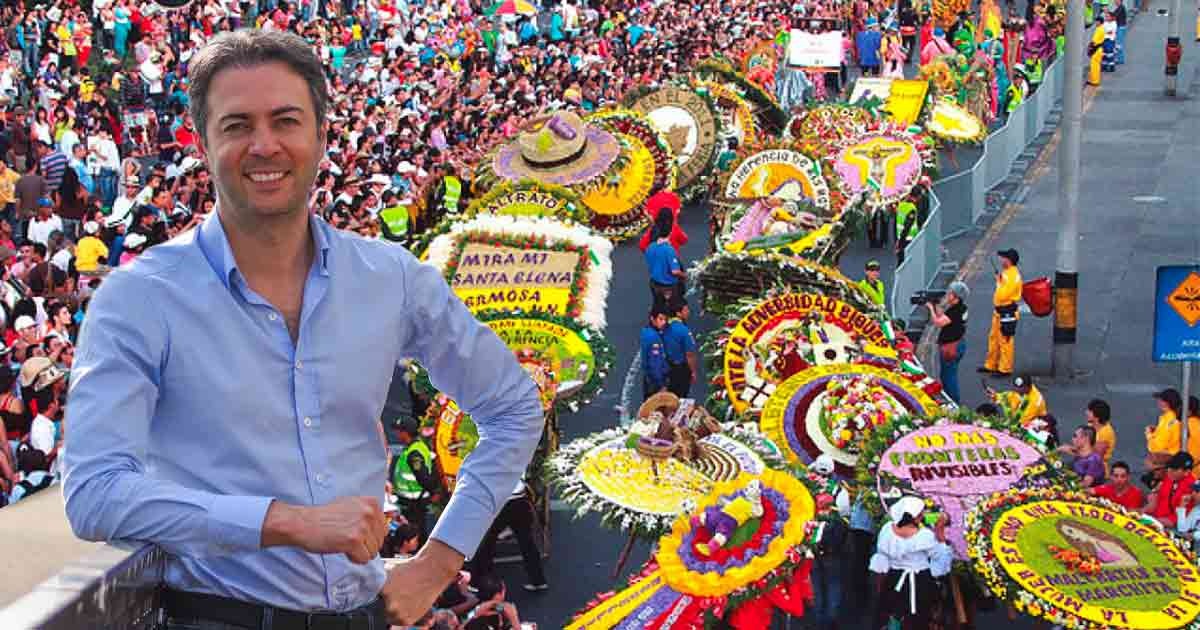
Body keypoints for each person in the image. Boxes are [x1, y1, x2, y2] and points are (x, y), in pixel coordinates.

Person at [63, 30, 544, 629]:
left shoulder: (390, 276)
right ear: (203, 143)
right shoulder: (139, 297)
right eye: (237, 125)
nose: (263, 145)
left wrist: (440, 561)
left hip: (366, 615)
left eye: (285, 121)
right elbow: (95, 492)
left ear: (321, 136)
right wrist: (283, 521)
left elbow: (514, 405)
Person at [869, 496, 953, 629]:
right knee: (919, 618)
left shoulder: (887, 530)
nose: (923, 515)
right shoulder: (924, 535)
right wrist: (940, 535)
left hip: (894, 580)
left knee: (892, 614)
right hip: (920, 582)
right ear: (914, 517)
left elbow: (881, 561)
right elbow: (940, 561)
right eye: (921, 513)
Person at [469, 479, 548, 593]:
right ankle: (538, 581)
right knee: (527, 542)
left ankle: (477, 582)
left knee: (487, 542)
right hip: (520, 500)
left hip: (500, 502)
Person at [390, 416, 443, 540]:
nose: (397, 433)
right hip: (411, 503)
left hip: (414, 504)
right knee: (417, 535)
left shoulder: (414, 453)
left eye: (399, 431)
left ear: (405, 432)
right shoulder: (417, 446)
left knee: (414, 537)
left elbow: (424, 477)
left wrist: (434, 492)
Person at [981, 248, 1022, 376]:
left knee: (1005, 340)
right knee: (994, 338)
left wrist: (999, 282)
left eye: (1003, 258)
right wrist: (1000, 280)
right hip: (999, 311)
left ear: (1009, 260)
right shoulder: (1007, 273)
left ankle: (1005, 369)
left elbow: (1002, 295)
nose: (1001, 260)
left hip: (1007, 311)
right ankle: (991, 364)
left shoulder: (1012, 276)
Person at [927, 281, 969, 403]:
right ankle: (951, 401)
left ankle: (954, 403)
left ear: (956, 296)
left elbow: (938, 322)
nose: (948, 295)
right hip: (958, 344)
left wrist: (930, 309)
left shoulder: (955, 310)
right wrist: (936, 306)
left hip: (950, 348)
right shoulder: (961, 308)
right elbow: (944, 317)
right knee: (948, 374)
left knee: (948, 377)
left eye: (950, 293)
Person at [644, 210, 686, 310]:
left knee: (658, 306)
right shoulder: (669, 250)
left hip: (654, 283)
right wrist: (684, 275)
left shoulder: (650, 247)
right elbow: (674, 271)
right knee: (672, 309)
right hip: (668, 286)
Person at [1144, 452, 1196, 527]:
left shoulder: (1192, 489)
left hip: (1174, 530)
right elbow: (1157, 503)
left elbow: (1177, 521)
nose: (1169, 471)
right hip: (1158, 520)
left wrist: (1152, 521)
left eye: (1174, 469)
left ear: (1187, 472)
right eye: (1169, 467)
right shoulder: (1170, 478)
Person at [662, 298, 698, 398]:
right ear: (678, 313)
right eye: (686, 310)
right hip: (680, 371)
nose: (688, 312)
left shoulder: (664, 327)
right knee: (680, 398)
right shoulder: (683, 330)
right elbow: (689, 354)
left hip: (665, 368)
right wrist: (693, 371)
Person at [639, 306, 671, 400]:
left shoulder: (646, 332)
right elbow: (655, 364)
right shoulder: (654, 338)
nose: (664, 322)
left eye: (665, 319)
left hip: (649, 380)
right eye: (660, 319)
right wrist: (661, 385)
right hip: (655, 383)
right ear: (652, 319)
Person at [1147, 388, 1184, 457]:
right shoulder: (1173, 417)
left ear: (1169, 402)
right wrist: (1156, 431)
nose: (1158, 402)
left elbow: (1157, 447)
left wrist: (1149, 434)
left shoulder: (1169, 419)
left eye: (1162, 400)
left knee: (1149, 461)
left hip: (1168, 457)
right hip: (1173, 455)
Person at [1086, 398, 1116, 472]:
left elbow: (1096, 456)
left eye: (1089, 411)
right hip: (1086, 466)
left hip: (1097, 471)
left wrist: (1072, 450)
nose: (1086, 412)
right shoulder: (1091, 425)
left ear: (1097, 416)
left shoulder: (1106, 432)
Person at [1176, 480, 1200, 547]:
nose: (1193, 494)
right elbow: (1182, 529)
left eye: (1197, 491)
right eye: (1193, 491)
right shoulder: (1196, 509)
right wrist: (1182, 506)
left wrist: (1193, 535)